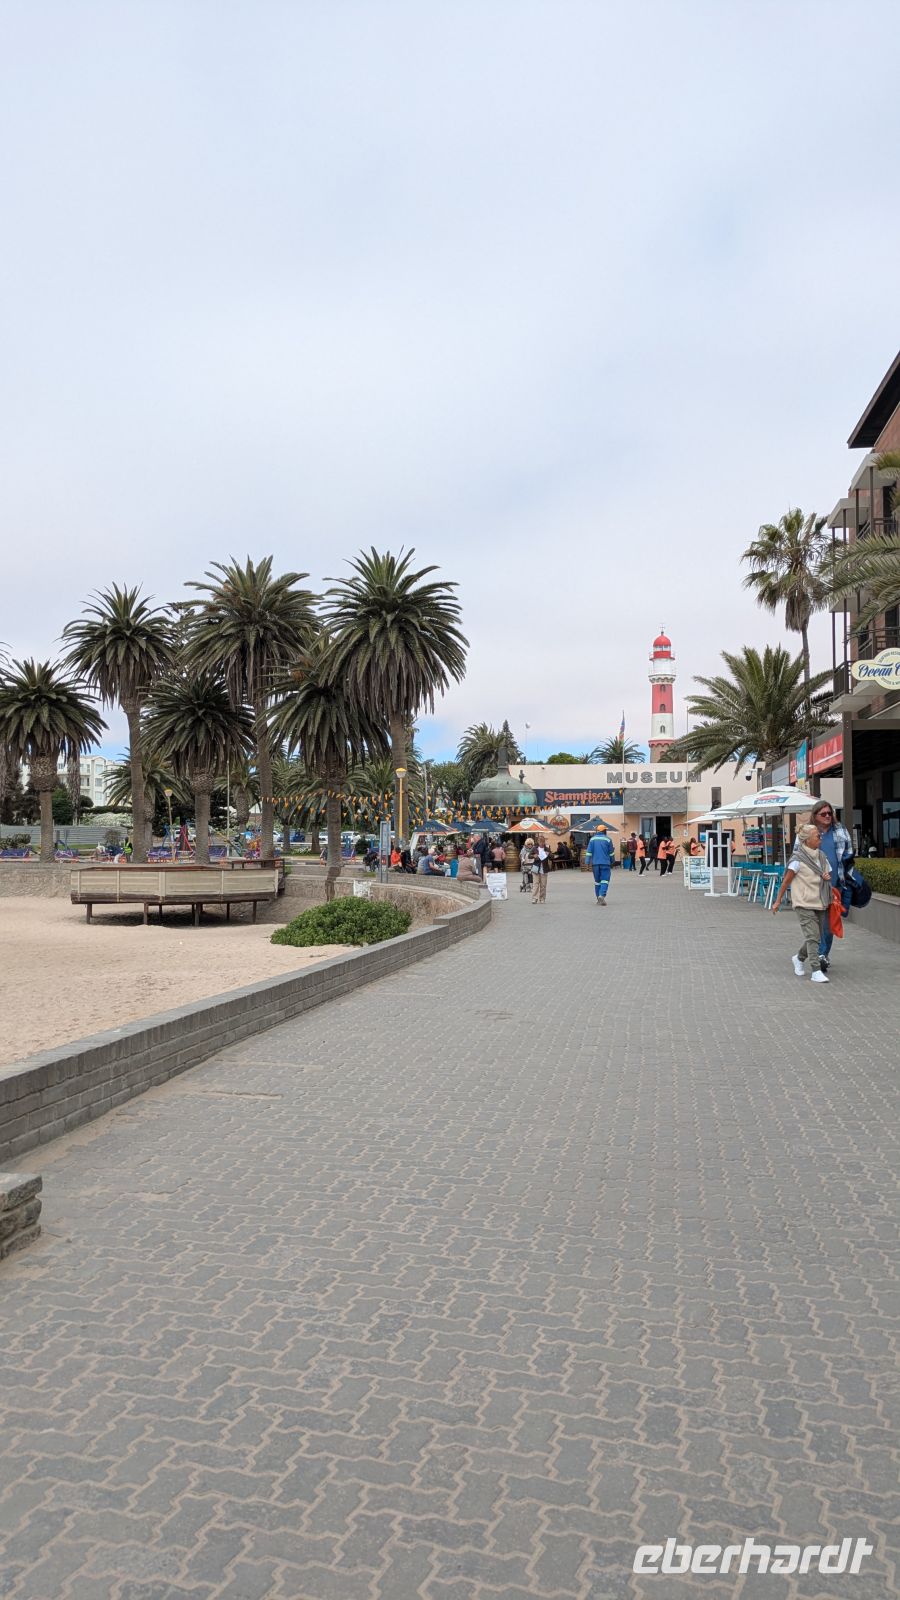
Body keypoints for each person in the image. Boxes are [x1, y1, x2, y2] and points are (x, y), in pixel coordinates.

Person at [771, 822, 832, 983]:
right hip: (803, 902)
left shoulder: (821, 857)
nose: (820, 838)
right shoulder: (797, 860)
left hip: (820, 901)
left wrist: (826, 877)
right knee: (813, 936)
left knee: (816, 937)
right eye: (817, 836)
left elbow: (827, 874)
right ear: (806, 840)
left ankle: (798, 958)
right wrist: (777, 901)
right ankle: (815, 970)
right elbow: (786, 881)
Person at [808, 799, 854, 974]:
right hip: (813, 886)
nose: (828, 816)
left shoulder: (840, 830)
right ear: (816, 816)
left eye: (830, 813)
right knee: (814, 922)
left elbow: (849, 853)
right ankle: (817, 953)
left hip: (835, 885)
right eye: (824, 814)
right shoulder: (808, 833)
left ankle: (822, 955)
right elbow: (799, 854)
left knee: (829, 922)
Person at [584, 824, 615, 905]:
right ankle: (601, 895)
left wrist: (587, 862)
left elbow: (589, 852)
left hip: (595, 864)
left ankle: (598, 898)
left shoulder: (592, 840)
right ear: (605, 831)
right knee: (605, 880)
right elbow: (611, 852)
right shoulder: (608, 840)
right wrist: (612, 861)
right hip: (605, 863)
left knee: (597, 881)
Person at [531, 839, 550, 904]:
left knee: (543, 885)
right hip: (536, 868)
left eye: (543, 842)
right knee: (535, 884)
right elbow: (529, 856)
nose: (541, 843)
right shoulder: (534, 848)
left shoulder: (547, 849)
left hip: (544, 869)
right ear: (538, 842)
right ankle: (534, 898)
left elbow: (552, 857)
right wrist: (534, 856)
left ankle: (542, 898)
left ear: (544, 842)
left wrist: (549, 854)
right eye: (540, 841)